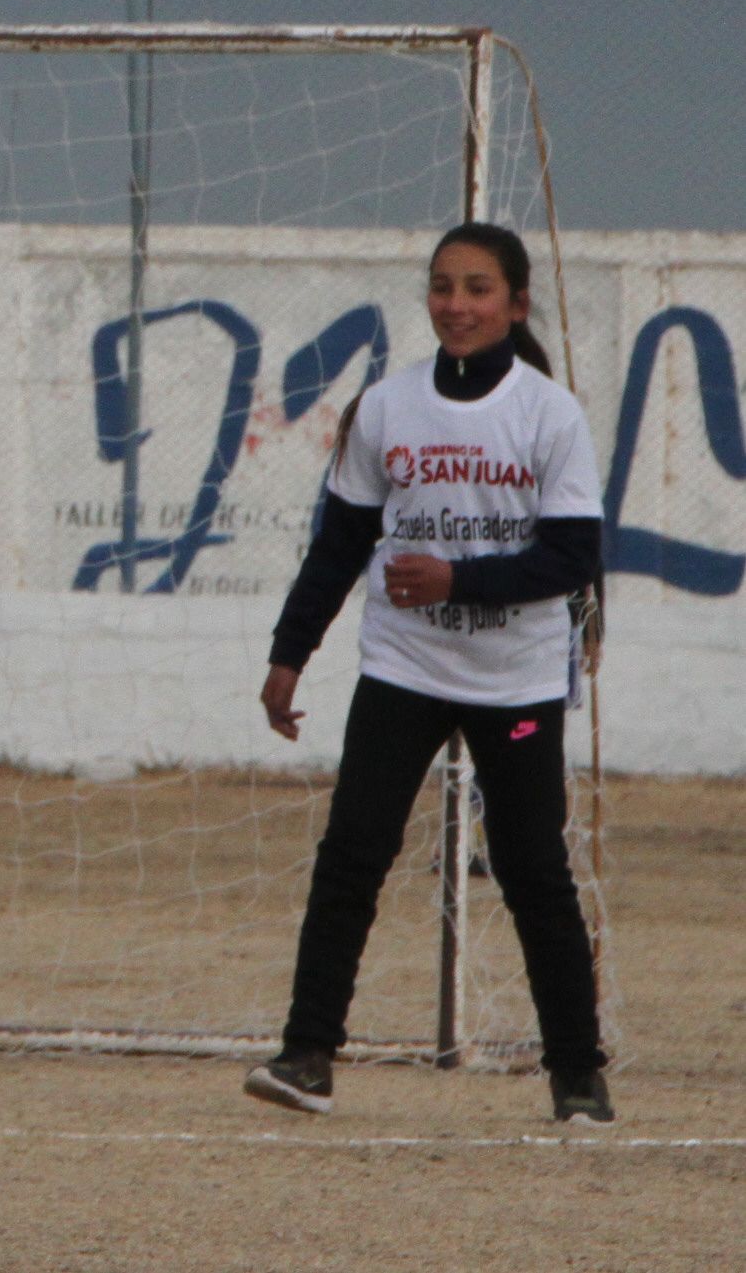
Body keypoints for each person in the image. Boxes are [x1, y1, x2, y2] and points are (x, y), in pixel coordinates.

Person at [245, 221, 612, 1124]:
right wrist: (290, 653)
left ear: (516, 303)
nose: (457, 304)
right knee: (353, 853)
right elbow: (338, 547)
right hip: (403, 666)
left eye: (478, 288)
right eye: (444, 286)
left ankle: (577, 1072)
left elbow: (571, 557)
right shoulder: (387, 406)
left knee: (533, 870)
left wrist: (459, 580)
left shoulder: (550, 413)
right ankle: (306, 1055)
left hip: (515, 679)